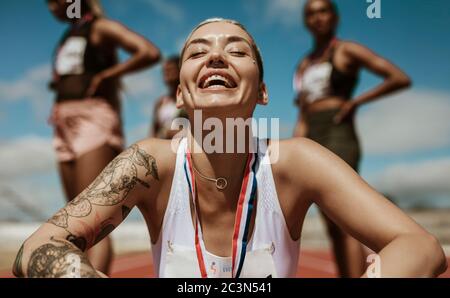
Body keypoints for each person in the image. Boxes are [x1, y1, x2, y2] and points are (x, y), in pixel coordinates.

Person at [13, 18, 446, 278]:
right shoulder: (149, 163)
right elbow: (35, 250)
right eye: (197, 52)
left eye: (236, 51)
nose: (217, 57)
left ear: (262, 92)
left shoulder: (296, 162)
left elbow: (420, 246)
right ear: (180, 94)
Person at [293, 0, 412, 277]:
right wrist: (295, 144)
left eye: (323, 11)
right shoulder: (304, 63)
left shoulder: (346, 49)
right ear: (306, 21)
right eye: (311, 13)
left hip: (337, 131)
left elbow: (398, 77)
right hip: (311, 132)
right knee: (329, 223)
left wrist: (356, 102)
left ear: (334, 17)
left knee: (344, 220)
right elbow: (301, 112)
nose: (317, 17)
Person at [45, 0, 161, 274]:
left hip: (93, 119)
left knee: (91, 218)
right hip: (63, 122)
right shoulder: (68, 36)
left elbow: (149, 52)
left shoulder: (99, 27)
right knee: (73, 219)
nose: (50, 6)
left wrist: (106, 76)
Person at [151, 55, 188, 139]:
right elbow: (153, 131)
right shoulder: (160, 103)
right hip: (163, 146)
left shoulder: (189, 98)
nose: (167, 74)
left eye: (170, 70)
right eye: (164, 71)